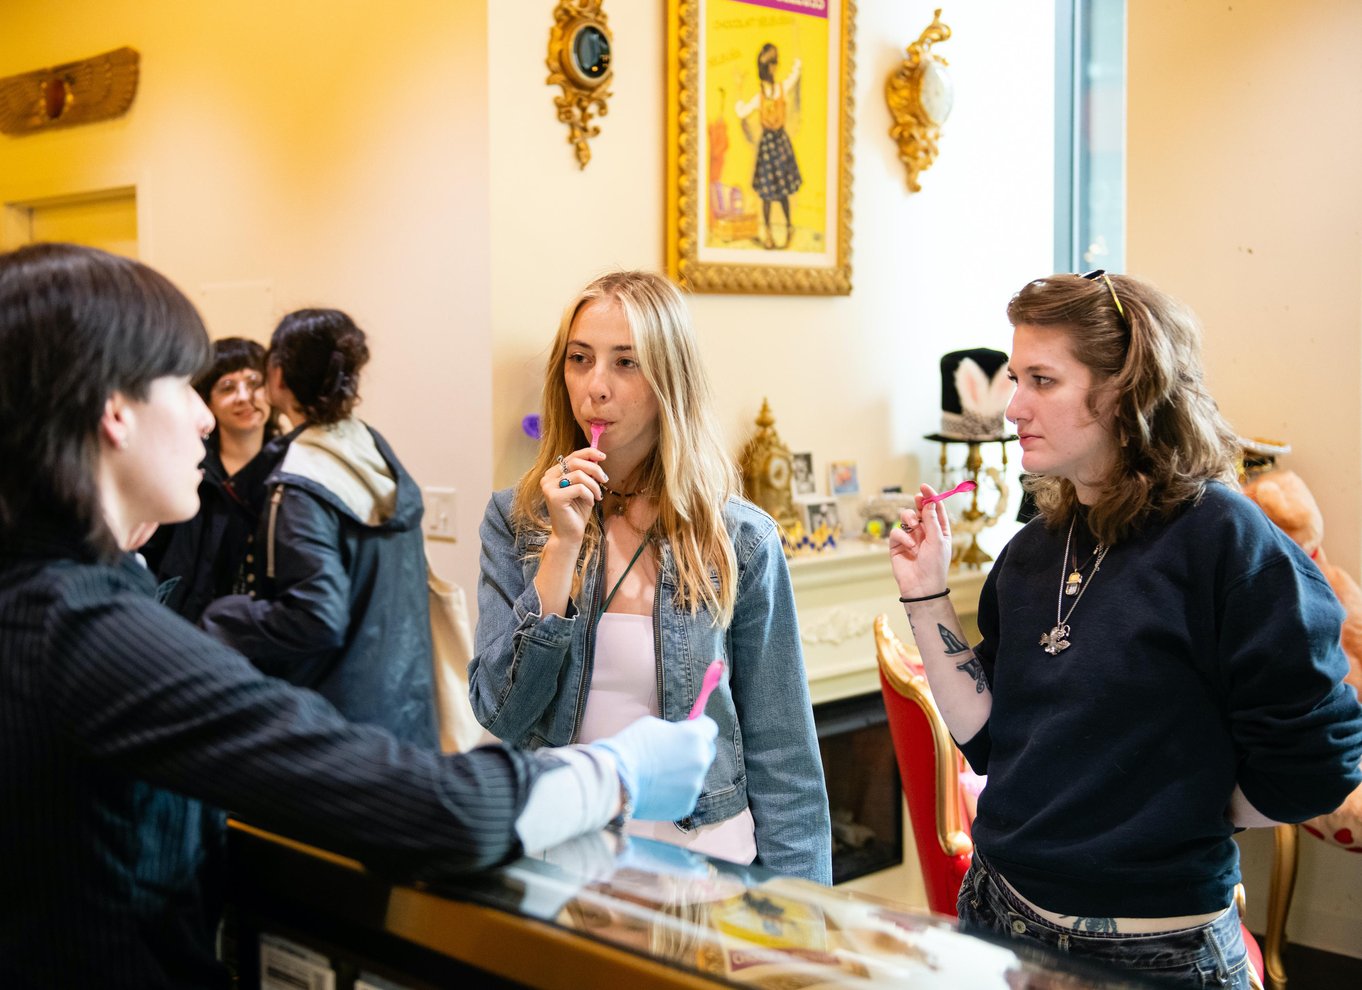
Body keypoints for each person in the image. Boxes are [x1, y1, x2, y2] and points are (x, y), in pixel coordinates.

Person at [0, 243, 718, 988]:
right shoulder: (85, 633)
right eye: (180, 384)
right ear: (114, 412)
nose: (203, 417)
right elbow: (445, 814)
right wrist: (620, 770)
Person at [889, 270, 1362, 987]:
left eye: (1042, 380)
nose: (1013, 406)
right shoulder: (1033, 551)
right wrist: (925, 596)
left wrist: (1184, 809)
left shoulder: (1228, 542)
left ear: (1126, 391)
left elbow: (1321, 762)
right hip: (998, 916)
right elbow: (988, 741)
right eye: (1015, 377)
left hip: (1157, 954)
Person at [471, 270, 831, 884]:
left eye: (626, 363)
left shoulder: (739, 540)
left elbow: (784, 753)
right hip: (559, 857)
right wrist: (562, 547)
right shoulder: (518, 522)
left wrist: (802, 919)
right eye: (579, 360)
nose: (596, 388)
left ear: (670, 379)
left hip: (703, 867)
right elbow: (501, 714)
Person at [201, 309, 433, 746]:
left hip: (336, 723)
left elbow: (317, 617)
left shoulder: (302, 484)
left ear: (278, 377)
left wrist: (224, 615)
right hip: (403, 705)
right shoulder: (372, 448)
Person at [141, 337, 280, 621]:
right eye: (227, 387)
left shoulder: (291, 470)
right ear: (209, 404)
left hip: (266, 626)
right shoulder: (189, 469)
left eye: (254, 382)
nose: (244, 396)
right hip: (190, 624)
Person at [735, 43, 802, 250]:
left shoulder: (781, 89)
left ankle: (789, 227)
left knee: (782, 193)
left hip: (780, 143)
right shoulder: (759, 96)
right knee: (766, 193)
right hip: (767, 145)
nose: (773, 67)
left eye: (774, 63)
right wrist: (738, 90)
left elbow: (793, 77)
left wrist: (798, 65)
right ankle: (769, 232)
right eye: (770, 64)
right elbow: (742, 112)